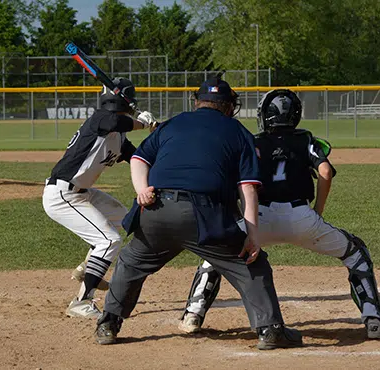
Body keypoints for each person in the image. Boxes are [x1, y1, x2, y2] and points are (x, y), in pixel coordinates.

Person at [94, 76, 303, 350]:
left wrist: (142, 190)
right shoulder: (237, 131)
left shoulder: (174, 123)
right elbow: (248, 190)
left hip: (156, 210)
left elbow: (138, 159)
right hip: (205, 215)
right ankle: (270, 329)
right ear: (229, 106)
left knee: (131, 262)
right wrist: (253, 236)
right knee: (252, 264)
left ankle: (109, 323)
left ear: (197, 103)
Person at [178, 89, 380, 340]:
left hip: (258, 220)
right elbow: (325, 172)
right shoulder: (306, 139)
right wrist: (318, 211)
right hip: (302, 217)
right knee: (356, 253)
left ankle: (193, 315)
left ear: (264, 115)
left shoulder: (252, 141)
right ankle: (374, 321)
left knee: (215, 254)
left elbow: (235, 181)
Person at [42, 77, 156, 319]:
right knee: (109, 241)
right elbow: (116, 120)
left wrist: (158, 131)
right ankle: (81, 302)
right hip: (63, 195)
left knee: (122, 218)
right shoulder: (101, 118)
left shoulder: (118, 135)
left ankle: (88, 269)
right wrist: (141, 123)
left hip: (82, 193)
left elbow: (138, 158)